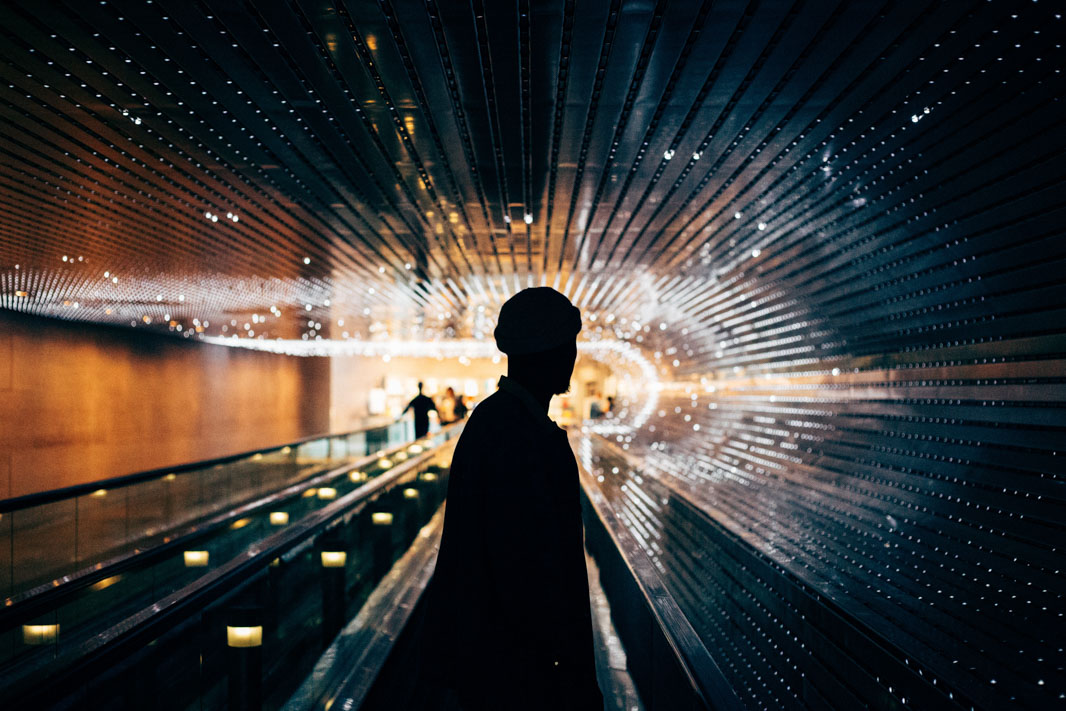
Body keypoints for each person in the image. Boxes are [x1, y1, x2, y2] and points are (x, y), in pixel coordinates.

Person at [413, 287, 603, 711]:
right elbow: (535, 570)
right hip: (520, 672)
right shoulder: (525, 439)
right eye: (568, 344)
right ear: (550, 352)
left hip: (493, 662)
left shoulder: (492, 422)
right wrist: (568, 672)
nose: (572, 356)